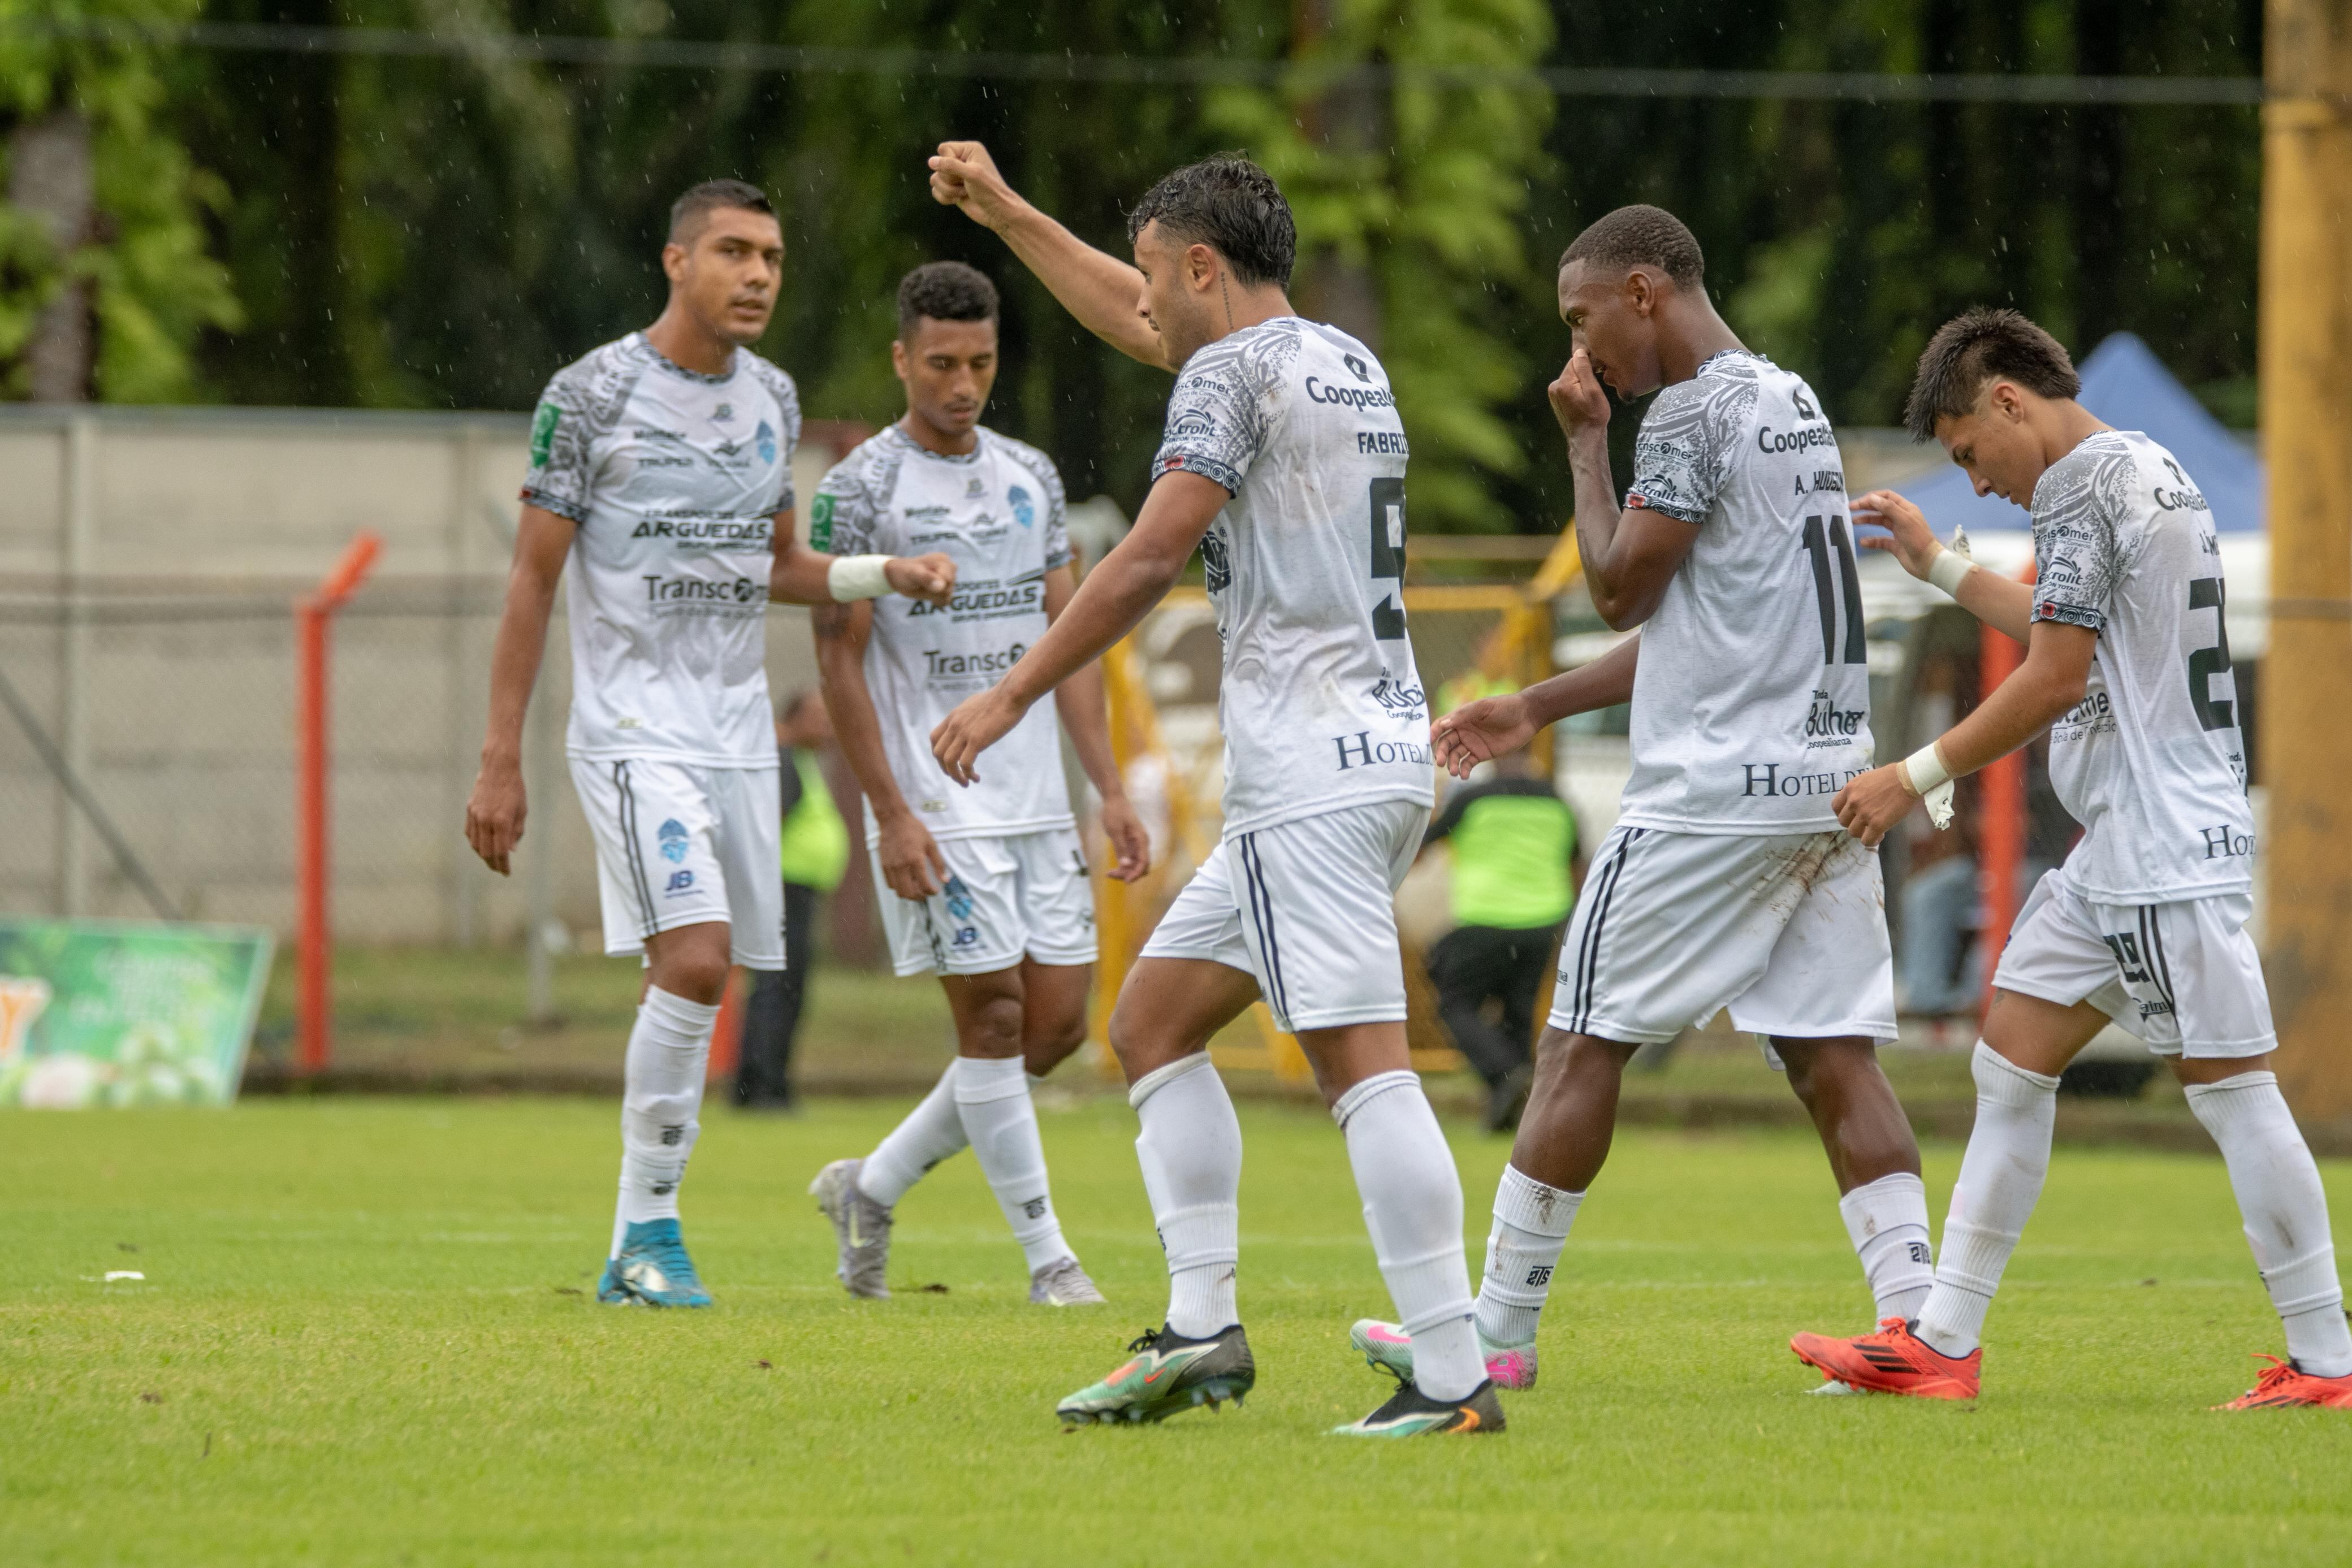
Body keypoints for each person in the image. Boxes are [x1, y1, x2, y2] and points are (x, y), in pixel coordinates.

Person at [927, 145, 1500, 1437]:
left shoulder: (1232, 372)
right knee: (1154, 1024)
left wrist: (1010, 693)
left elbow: (1144, 558)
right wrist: (1016, 210)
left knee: (1360, 1065)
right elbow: (1140, 321)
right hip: (1351, 760)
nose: (1146, 304)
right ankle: (1200, 1333)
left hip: (1314, 770)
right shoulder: (1341, 359)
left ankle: (1455, 1381)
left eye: (1152, 273)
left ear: (1198, 265)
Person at [1364, 205, 1932, 1394]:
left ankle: (1497, 1335)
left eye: (1582, 322)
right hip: (1829, 784)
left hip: (1709, 795)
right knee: (1834, 1055)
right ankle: (1915, 1329)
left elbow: (1622, 591)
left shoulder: (1681, 413)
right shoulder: (1793, 404)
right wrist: (1534, 707)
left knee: (1577, 1040)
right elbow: (1711, 624)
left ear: (1641, 291)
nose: (1580, 360)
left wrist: (1584, 445)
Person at [1790, 309, 2352, 1409]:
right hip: (2124, 851)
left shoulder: (2080, 483)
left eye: (1965, 452)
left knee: (2232, 1092)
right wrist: (1940, 564)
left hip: (2156, 843)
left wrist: (1910, 774)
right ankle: (1942, 1341)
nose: (1977, 479)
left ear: (2006, 397)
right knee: (2011, 1054)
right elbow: (2077, 637)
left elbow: (2054, 676)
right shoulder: (2148, 467)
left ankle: (2328, 1359)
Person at [462, 180, 956, 1309]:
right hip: (634, 724)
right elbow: (534, 578)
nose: (758, 275)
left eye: (773, 257)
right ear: (676, 261)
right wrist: (502, 755)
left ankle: (641, 1246)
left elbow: (778, 567)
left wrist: (887, 571)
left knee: (700, 969)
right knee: (694, 959)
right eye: (733, 252)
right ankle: (647, 1236)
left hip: (736, 729)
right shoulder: (589, 395)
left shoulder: (771, 399)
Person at [806, 261, 1148, 1307]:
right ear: (903, 358)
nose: (963, 384)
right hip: (938, 796)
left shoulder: (1031, 477)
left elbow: (1070, 639)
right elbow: (838, 659)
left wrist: (1108, 786)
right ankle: (1052, 1261)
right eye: (942, 363)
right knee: (994, 1022)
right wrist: (893, 811)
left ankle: (872, 1184)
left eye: (982, 363)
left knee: (1054, 1029)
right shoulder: (859, 487)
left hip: (1038, 795)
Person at [1417, 747, 1582, 1132]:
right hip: (1545, 920)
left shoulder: (1473, 800)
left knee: (1455, 1005)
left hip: (1484, 918)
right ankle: (1514, 1112)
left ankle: (1508, 1074)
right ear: (1532, 756)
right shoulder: (1558, 802)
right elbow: (1576, 864)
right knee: (1518, 1013)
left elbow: (1419, 849)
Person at [732, 688, 849, 1111]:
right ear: (791, 719)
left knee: (780, 989)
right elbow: (766, 829)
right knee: (777, 990)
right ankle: (764, 1089)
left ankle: (763, 1085)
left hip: (793, 892)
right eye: (818, 718)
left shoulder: (800, 761)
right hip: (782, 892)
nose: (828, 727)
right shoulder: (783, 762)